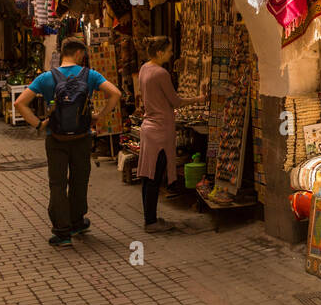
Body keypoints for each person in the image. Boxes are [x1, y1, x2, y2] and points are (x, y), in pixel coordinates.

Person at [14, 36, 121, 248]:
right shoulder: (89, 75)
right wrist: (99, 115)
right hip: (82, 138)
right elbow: (115, 93)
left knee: (58, 184)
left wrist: (39, 124)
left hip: (56, 139)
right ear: (79, 53)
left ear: (62, 53)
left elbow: (20, 103)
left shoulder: (46, 78)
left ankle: (62, 233)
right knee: (79, 181)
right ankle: (77, 222)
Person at [137, 36, 205, 233]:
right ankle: (150, 222)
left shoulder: (144, 68)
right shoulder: (160, 73)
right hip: (159, 131)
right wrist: (199, 98)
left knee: (148, 176)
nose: (171, 53)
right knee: (154, 177)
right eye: (168, 50)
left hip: (149, 128)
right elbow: (176, 102)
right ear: (159, 52)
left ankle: (150, 218)